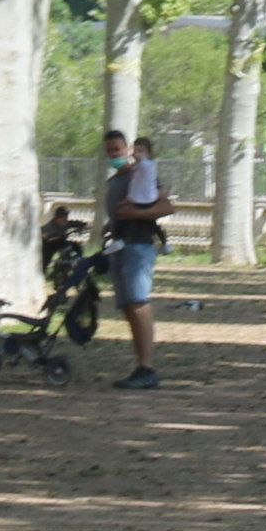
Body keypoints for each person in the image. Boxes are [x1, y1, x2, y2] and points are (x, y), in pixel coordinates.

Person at [100, 127, 174, 391]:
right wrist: (110, 226)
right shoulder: (114, 181)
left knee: (139, 303)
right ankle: (140, 366)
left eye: (117, 149)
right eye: (109, 151)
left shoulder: (141, 173)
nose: (114, 154)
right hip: (119, 248)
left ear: (127, 149)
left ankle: (147, 367)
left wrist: (136, 214)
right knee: (128, 306)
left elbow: (166, 205)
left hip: (139, 246)